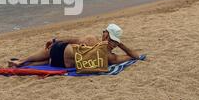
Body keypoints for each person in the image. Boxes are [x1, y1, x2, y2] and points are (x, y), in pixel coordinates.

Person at [8, 24, 141, 68]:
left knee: (47, 59)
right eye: (113, 40)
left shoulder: (110, 57)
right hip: (61, 55)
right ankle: (22, 62)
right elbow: (73, 39)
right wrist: (55, 40)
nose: (113, 44)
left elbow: (136, 57)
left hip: (60, 61)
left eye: (115, 42)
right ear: (105, 35)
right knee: (48, 53)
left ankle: (22, 63)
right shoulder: (94, 42)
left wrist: (120, 43)